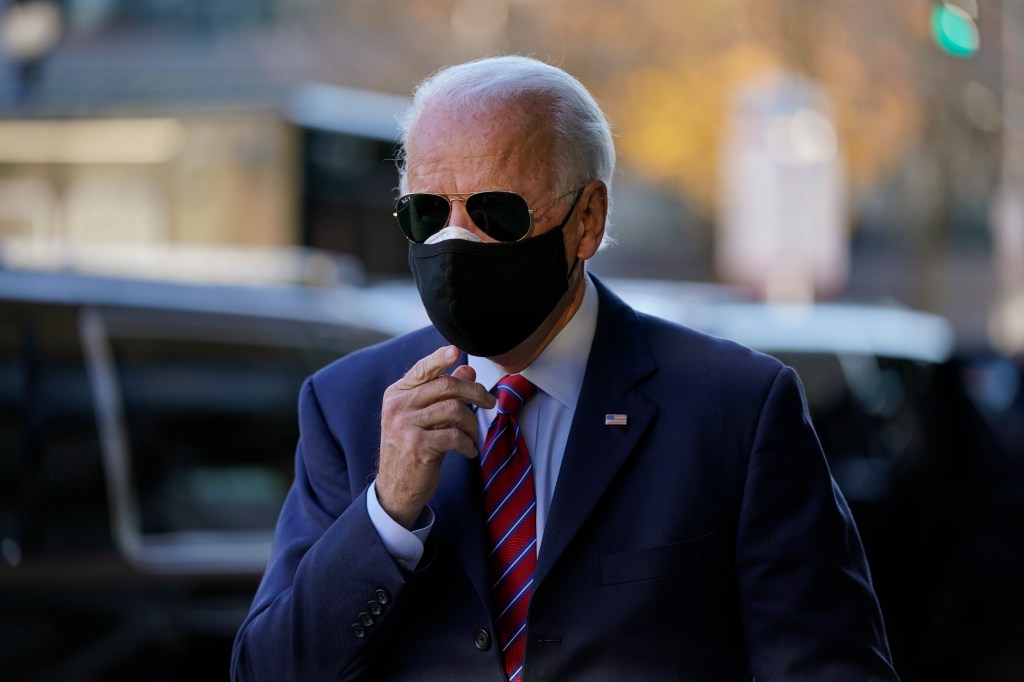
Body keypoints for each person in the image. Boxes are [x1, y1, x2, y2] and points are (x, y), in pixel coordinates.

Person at [231, 55, 899, 681]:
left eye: (495, 212)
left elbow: (829, 666)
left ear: (587, 219)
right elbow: (269, 669)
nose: (455, 241)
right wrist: (387, 513)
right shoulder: (348, 405)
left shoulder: (736, 408)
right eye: (429, 213)